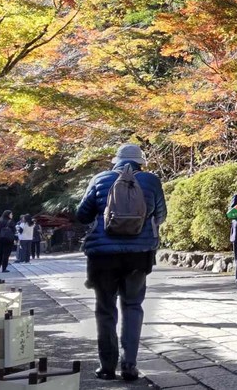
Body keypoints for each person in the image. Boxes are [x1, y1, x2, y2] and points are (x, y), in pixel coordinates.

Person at [76, 143, 167, 382]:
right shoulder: (151, 181)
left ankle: (107, 367)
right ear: (141, 161)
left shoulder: (100, 178)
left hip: (103, 257)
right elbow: (161, 215)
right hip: (138, 255)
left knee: (105, 309)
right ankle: (130, 365)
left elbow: (82, 214)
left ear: (116, 160)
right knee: (133, 306)